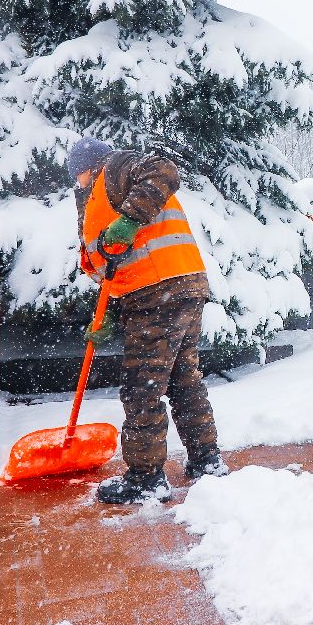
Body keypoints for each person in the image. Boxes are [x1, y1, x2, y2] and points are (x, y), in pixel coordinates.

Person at [66, 136, 228, 504]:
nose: (77, 183)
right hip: (178, 287)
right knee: (183, 380)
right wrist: (107, 314)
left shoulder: (116, 169)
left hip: (159, 292)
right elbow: (110, 264)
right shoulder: (94, 200)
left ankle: (146, 479)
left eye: (78, 174)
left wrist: (128, 221)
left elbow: (164, 171)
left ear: (87, 167)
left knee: (143, 387)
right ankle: (206, 461)